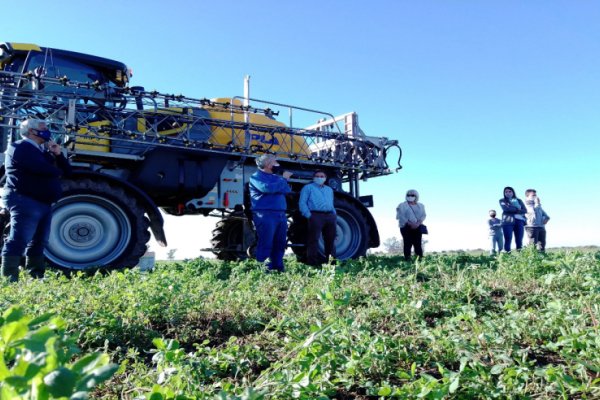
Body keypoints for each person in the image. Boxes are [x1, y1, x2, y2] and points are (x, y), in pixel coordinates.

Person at [1, 118, 71, 281]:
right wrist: (55, 167)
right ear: (31, 131)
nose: (47, 129)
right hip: (25, 199)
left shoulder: (43, 151)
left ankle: (36, 275)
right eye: (43, 127)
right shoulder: (19, 147)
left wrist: (58, 155)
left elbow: (67, 172)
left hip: (42, 202)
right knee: (19, 239)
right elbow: (45, 170)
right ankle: (9, 278)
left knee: (39, 241)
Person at [249, 154, 292, 272]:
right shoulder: (256, 177)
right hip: (265, 214)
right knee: (266, 242)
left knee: (280, 242)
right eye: (275, 162)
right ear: (268, 164)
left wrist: (279, 185)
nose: (277, 164)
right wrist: (283, 181)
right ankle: (263, 269)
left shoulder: (276, 178)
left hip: (280, 214)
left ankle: (278, 267)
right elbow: (266, 188)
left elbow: (287, 190)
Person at [298, 170, 337, 266]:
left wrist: (334, 214)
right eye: (317, 176)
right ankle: (313, 264)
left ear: (325, 178)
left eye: (322, 176)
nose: (320, 178)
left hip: (330, 216)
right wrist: (309, 215)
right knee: (313, 240)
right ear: (314, 178)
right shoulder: (308, 188)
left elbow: (331, 203)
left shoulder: (329, 190)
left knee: (330, 240)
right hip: (316, 216)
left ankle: (332, 264)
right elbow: (302, 203)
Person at [396, 190, 426, 261]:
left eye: (412, 195)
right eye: (408, 195)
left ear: (416, 196)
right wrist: (410, 223)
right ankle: (407, 258)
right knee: (407, 242)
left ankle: (419, 258)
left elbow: (423, 215)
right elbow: (400, 216)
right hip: (405, 226)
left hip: (417, 226)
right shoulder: (402, 205)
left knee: (418, 243)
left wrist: (418, 223)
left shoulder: (421, 206)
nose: (410, 197)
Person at [499, 186, 526, 252]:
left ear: (513, 192)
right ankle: (507, 256)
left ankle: (520, 256)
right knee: (508, 239)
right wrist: (518, 208)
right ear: (504, 193)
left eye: (510, 191)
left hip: (519, 221)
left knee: (519, 240)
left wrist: (512, 208)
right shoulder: (502, 200)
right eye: (506, 192)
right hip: (507, 222)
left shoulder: (519, 200)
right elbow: (506, 209)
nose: (508, 193)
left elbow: (525, 210)